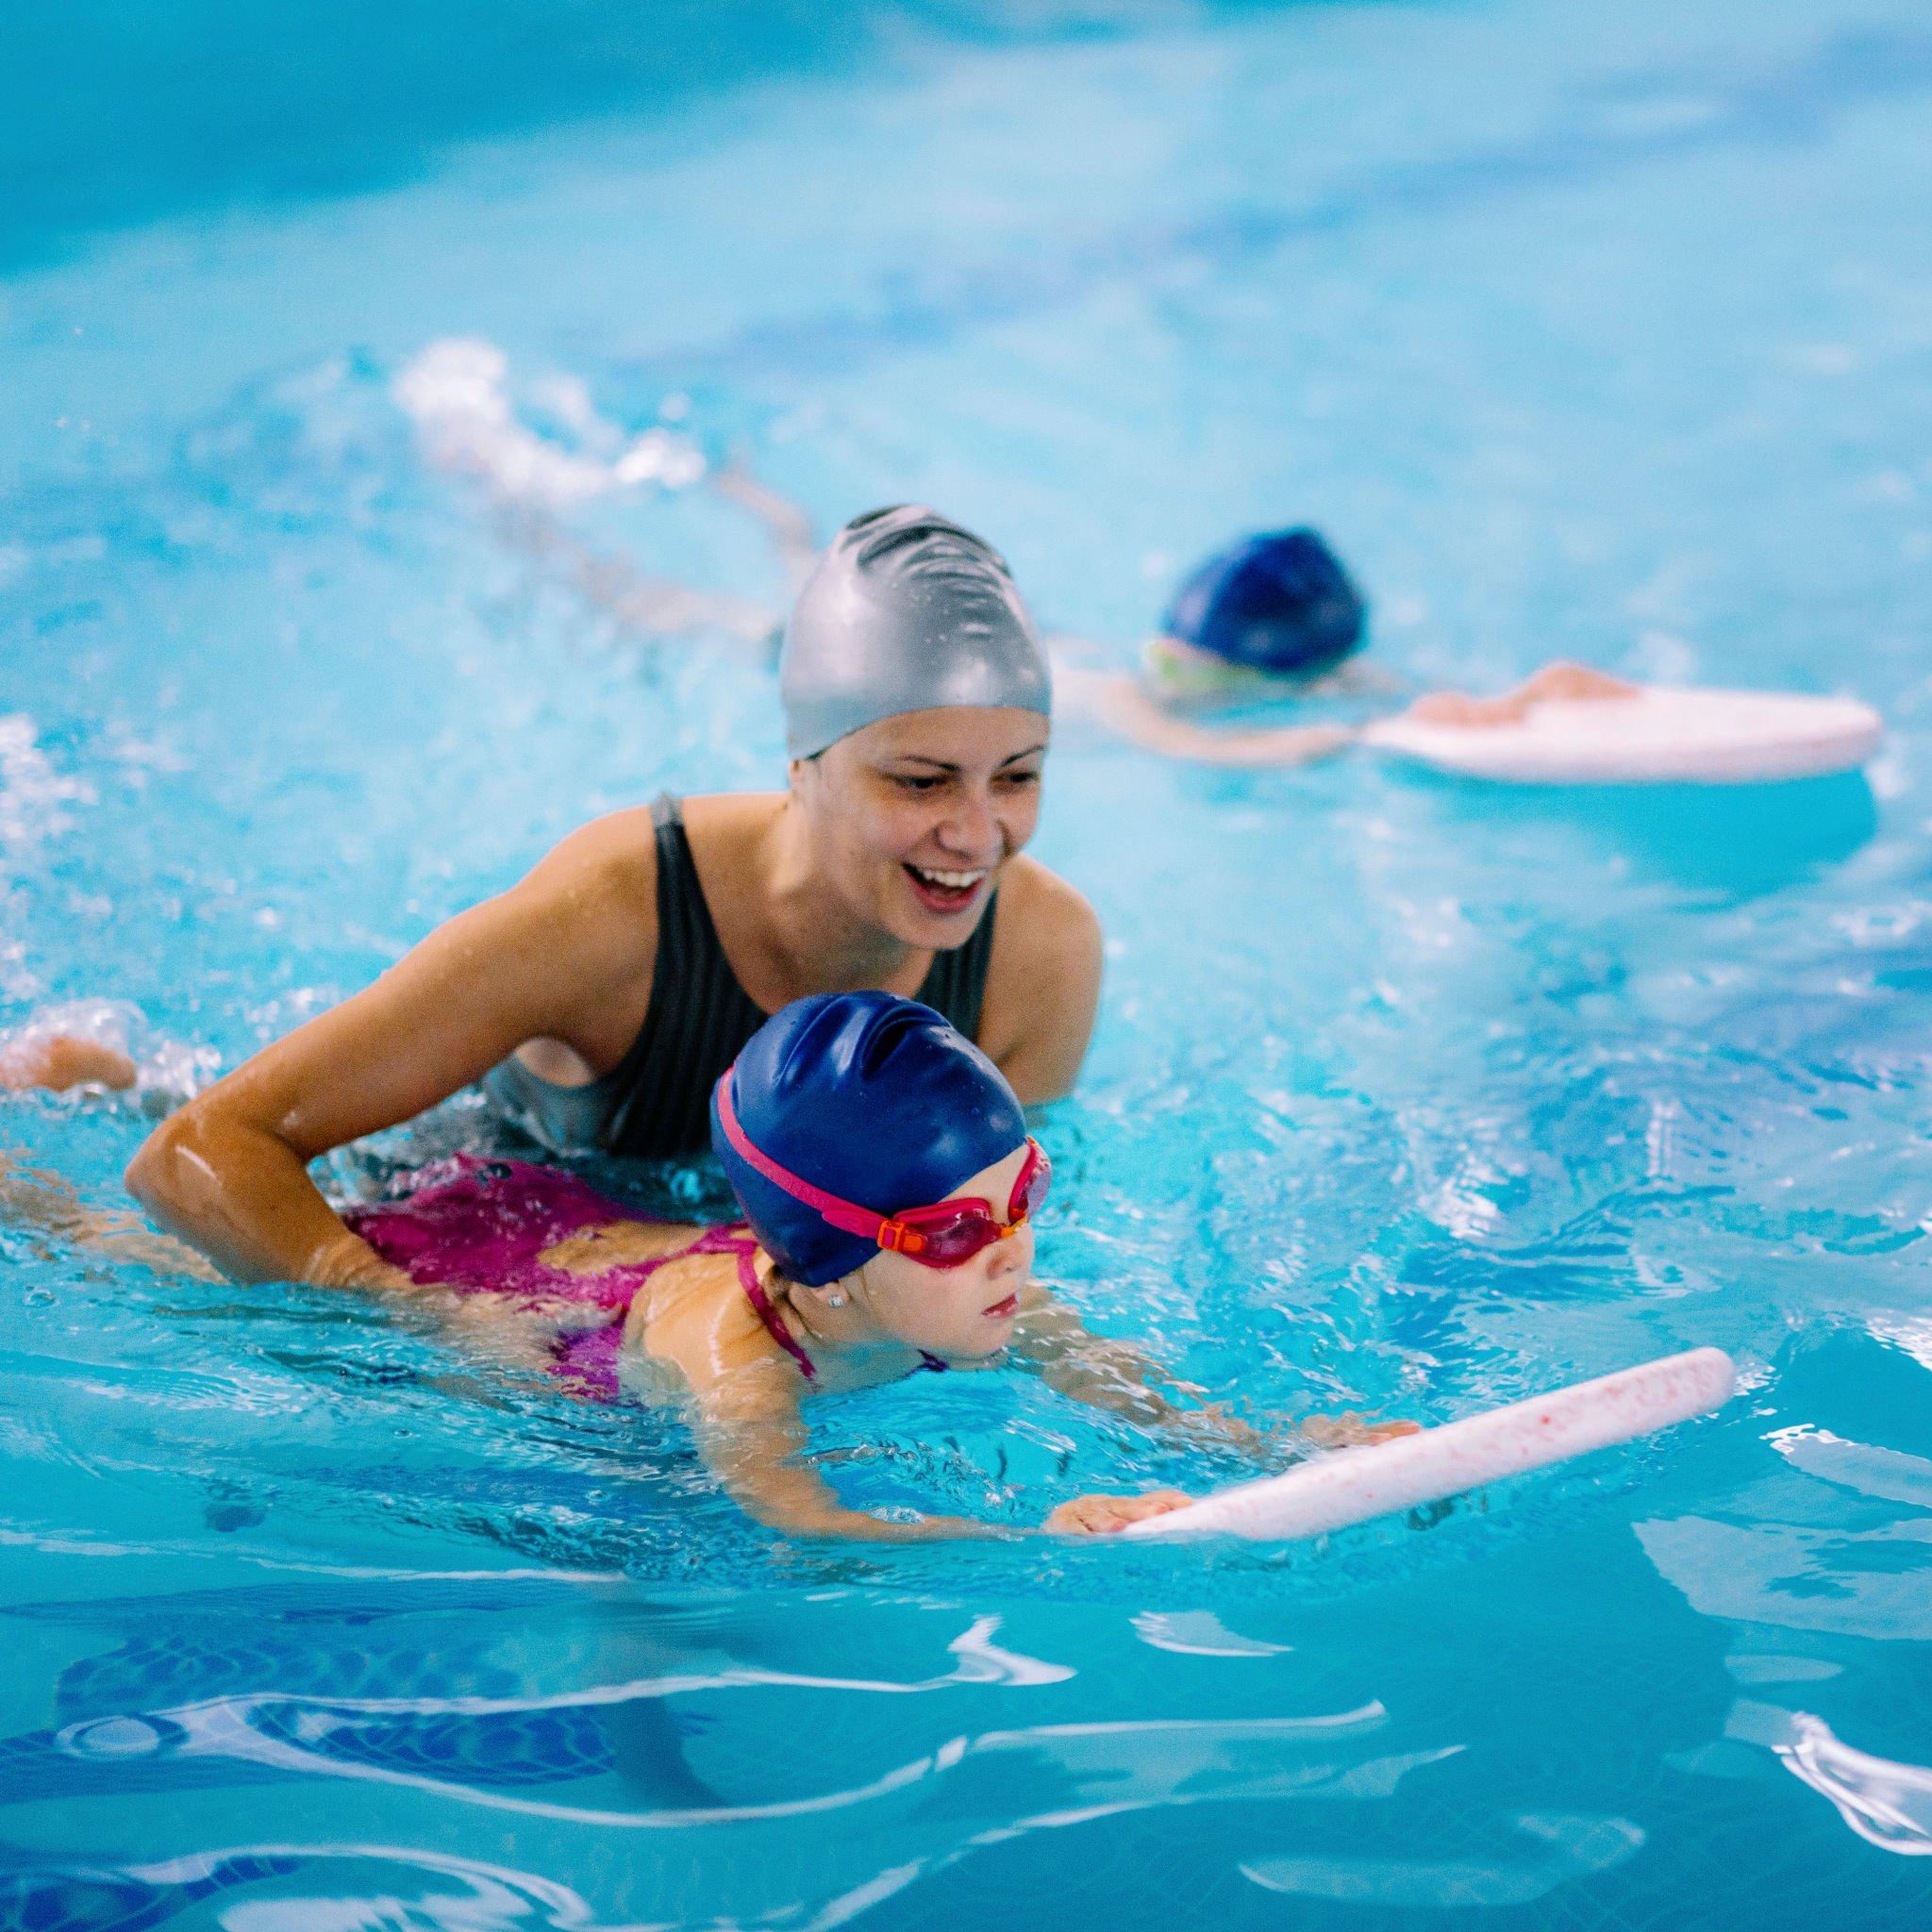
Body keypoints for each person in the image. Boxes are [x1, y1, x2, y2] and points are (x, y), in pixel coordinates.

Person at [119, 506, 1104, 1291]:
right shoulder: (613, 915)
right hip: (469, 1207)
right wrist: (417, 1324)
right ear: (802, 764)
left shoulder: (1038, 955)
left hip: (708, 1279)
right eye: (921, 781)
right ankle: (104, 1079)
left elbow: (980, 1250)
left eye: (1016, 776)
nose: (978, 835)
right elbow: (200, 1150)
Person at [8, 993, 1412, 1541]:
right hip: (474, 1279)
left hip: (556, 1207)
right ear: (837, 1255)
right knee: (178, 1271)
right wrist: (1041, 1543)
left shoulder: (973, 1288)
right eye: (960, 1229)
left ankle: (116, 1080)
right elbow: (805, 1530)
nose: (1015, 1251)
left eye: (1023, 1194)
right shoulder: (739, 1367)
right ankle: (41, 1171)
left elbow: (1141, 1395)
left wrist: (1293, 1444)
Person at [1075, 527, 1640, 767]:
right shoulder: (1111, 688)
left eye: (1195, 672)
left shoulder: (1327, 678)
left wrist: (1523, 700)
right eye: (1164, 660)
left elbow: (1419, 699)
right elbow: (1196, 747)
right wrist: (1358, 735)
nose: (1169, 677)